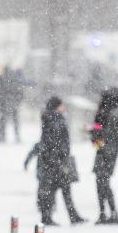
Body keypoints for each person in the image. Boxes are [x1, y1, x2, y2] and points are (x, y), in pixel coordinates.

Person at [36, 96, 86, 225]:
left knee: (61, 188)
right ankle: (48, 217)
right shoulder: (55, 120)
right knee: (55, 189)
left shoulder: (52, 118)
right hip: (56, 161)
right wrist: (60, 156)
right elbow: (56, 141)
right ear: (57, 106)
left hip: (54, 160)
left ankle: (68, 215)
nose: (64, 107)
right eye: (62, 105)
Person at [91, 87, 118, 225]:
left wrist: (97, 141)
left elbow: (105, 135)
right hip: (105, 153)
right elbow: (99, 131)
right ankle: (105, 213)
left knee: (103, 184)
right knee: (101, 184)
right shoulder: (105, 114)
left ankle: (110, 213)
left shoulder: (110, 115)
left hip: (106, 155)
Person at [0, 66, 25, 143]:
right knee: (15, 122)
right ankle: (17, 137)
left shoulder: (0, 79)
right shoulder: (15, 79)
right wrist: (17, 101)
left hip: (4, 105)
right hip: (12, 105)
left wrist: (0, 100)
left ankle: (0, 138)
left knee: (2, 122)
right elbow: (20, 92)